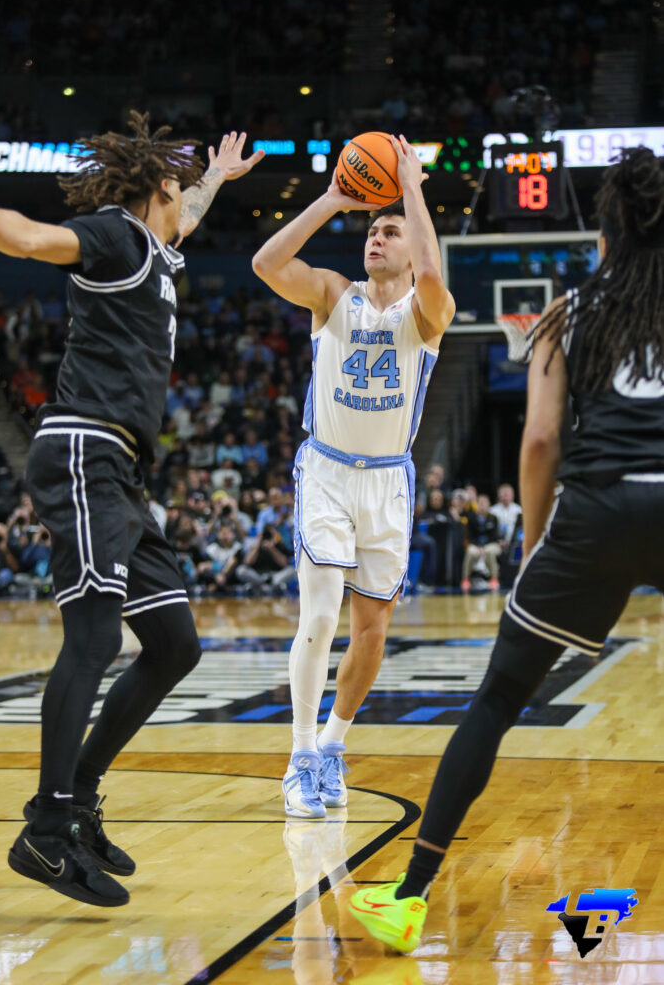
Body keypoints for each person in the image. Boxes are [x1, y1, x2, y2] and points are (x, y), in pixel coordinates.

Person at [349, 146, 664, 950]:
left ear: (604, 233)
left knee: (494, 701)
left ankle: (409, 897)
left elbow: (540, 441)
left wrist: (533, 547)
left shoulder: (567, 311)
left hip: (594, 514)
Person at [0, 113, 263, 906]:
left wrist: (217, 178)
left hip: (122, 470)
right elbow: (26, 238)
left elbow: (188, 214)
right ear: (157, 190)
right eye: (181, 186)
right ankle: (45, 831)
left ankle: (77, 800)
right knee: (97, 637)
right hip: (84, 450)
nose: (187, 200)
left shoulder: (158, 243)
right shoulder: (114, 234)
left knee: (174, 645)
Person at [252, 134, 455, 818]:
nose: (377, 237)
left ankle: (334, 744)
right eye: (372, 230)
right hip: (328, 471)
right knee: (318, 614)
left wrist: (412, 189)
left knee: (371, 633)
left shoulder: (426, 314)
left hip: (388, 483)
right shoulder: (333, 295)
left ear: (412, 248)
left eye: (390, 231)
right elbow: (265, 263)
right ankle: (300, 757)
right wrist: (334, 199)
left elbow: (433, 277)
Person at [461, 493, 501, 592]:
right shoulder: (472, 518)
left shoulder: (493, 518)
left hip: (491, 544)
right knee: (470, 552)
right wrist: (478, 546)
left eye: (484, 503)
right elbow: (470, 536)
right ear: (477, 505)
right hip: (475, 545)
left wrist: (483, 547)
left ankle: (494, 579)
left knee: (490, 552)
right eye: (480, 503)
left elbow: (494, 536)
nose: (482, 505)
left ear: (489, 504)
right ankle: (465, 579)